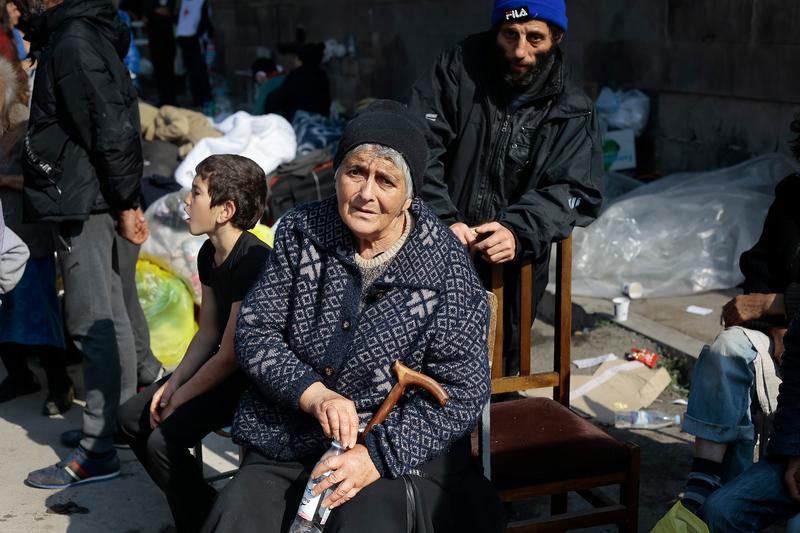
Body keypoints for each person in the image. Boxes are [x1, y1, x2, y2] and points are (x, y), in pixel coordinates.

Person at [201, 100, 503, 533]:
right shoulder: (301, 231)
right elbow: (255, 332)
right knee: (237, 518)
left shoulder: (445, 266)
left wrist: (377, 455)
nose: (366, 193)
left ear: (409, 196)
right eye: (355, 172)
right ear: (336, 174)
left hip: (392, 450)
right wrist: (314, 393)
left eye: (386, 180)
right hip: (291, 434)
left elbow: (462, 388)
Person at [408, 0, 603, 374]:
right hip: (434, 251)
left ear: (556, 37)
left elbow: (575, 188)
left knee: (500, 374)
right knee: (420, 368)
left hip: (516, 271)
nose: (520, 51)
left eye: (534, 38)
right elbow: (419, 144)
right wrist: (442, 219)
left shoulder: (573, 107)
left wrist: (518, 229)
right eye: (510, 34)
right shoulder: (457, 69)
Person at [18, 0, 149, 488]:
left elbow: (111, 126)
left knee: (91, 320)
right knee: (107, 314)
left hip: (85, 198)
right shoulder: (77, 33)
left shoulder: (73, 39)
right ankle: (112, 429)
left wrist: (126, 202)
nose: (13, 8)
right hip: (89, 194)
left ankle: (98, 450)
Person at [652, 116, 800, 529]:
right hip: (786, 338)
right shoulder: (792, 194)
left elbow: (763, 298)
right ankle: (705, 484)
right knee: (728, 348)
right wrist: (777, 326)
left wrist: (775, 305)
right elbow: (759, 266)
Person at [118, 154, 270, 533]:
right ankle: (203, 510)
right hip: (220, 370)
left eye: (197, 192)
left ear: (225, 209)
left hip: (252, 382)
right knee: (130, 418)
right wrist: (173, 383)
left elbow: (232, 354)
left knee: (160, 441)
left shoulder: (253, 260)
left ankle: (197, 520)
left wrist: (179, 398)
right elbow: (207, 333)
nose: (186, 201)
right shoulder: (209, 252)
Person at [0, 54, 74, 415]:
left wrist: (3, 180)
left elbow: (45, 181)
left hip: (26, 236)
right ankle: (19, 375)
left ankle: (59, 384)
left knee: (38, 313)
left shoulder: (24, 127)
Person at [263, 42, 330, 120]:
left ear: (300, 59)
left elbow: (276, 98)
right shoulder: (322, 75)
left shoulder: (297, 75)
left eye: (296, 57)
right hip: (321, 120)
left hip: (302, 121)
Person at [175, 0, 212, 109]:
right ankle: (196, 100)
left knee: (199, 71)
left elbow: (205, 21)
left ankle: (205, 99)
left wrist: (197, 36)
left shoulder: (201, 2)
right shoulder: (184, 2)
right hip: (184, 40)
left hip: (196, 41)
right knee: (191, 72)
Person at [143, 0, 176, 106]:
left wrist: (154, 11)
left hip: (167, 40)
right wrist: (156, 11)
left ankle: (172, 99)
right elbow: (145, 18)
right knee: (159, 71)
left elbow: (169, 12)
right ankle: (164, 99)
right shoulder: (149, 3)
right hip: (155, 40)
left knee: (169, 70)